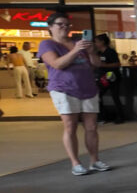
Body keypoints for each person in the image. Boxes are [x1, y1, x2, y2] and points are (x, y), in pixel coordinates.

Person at [38, 12, 109, 176]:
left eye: (67, 24)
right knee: (70, 126)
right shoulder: (47, 44)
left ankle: (95, 160)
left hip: (88, 88)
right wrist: (76, 50)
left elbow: (97, 64)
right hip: (64, 89)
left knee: (92, 127)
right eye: (60, 24)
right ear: (50, 27)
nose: (65, 27)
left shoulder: (79, 43)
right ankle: (75, 163)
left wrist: (91, 52)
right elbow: (57, 64)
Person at [93, 34, 125, 124]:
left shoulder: (111, 52)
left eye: (97, 41)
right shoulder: (98, 53)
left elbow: (117, 64)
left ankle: (120, 117)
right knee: (97, 96)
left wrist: (105, 65)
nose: (95, 43)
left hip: (113, 78)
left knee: (115, 97)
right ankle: (104, 116)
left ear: (102, 42)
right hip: (103, 78)